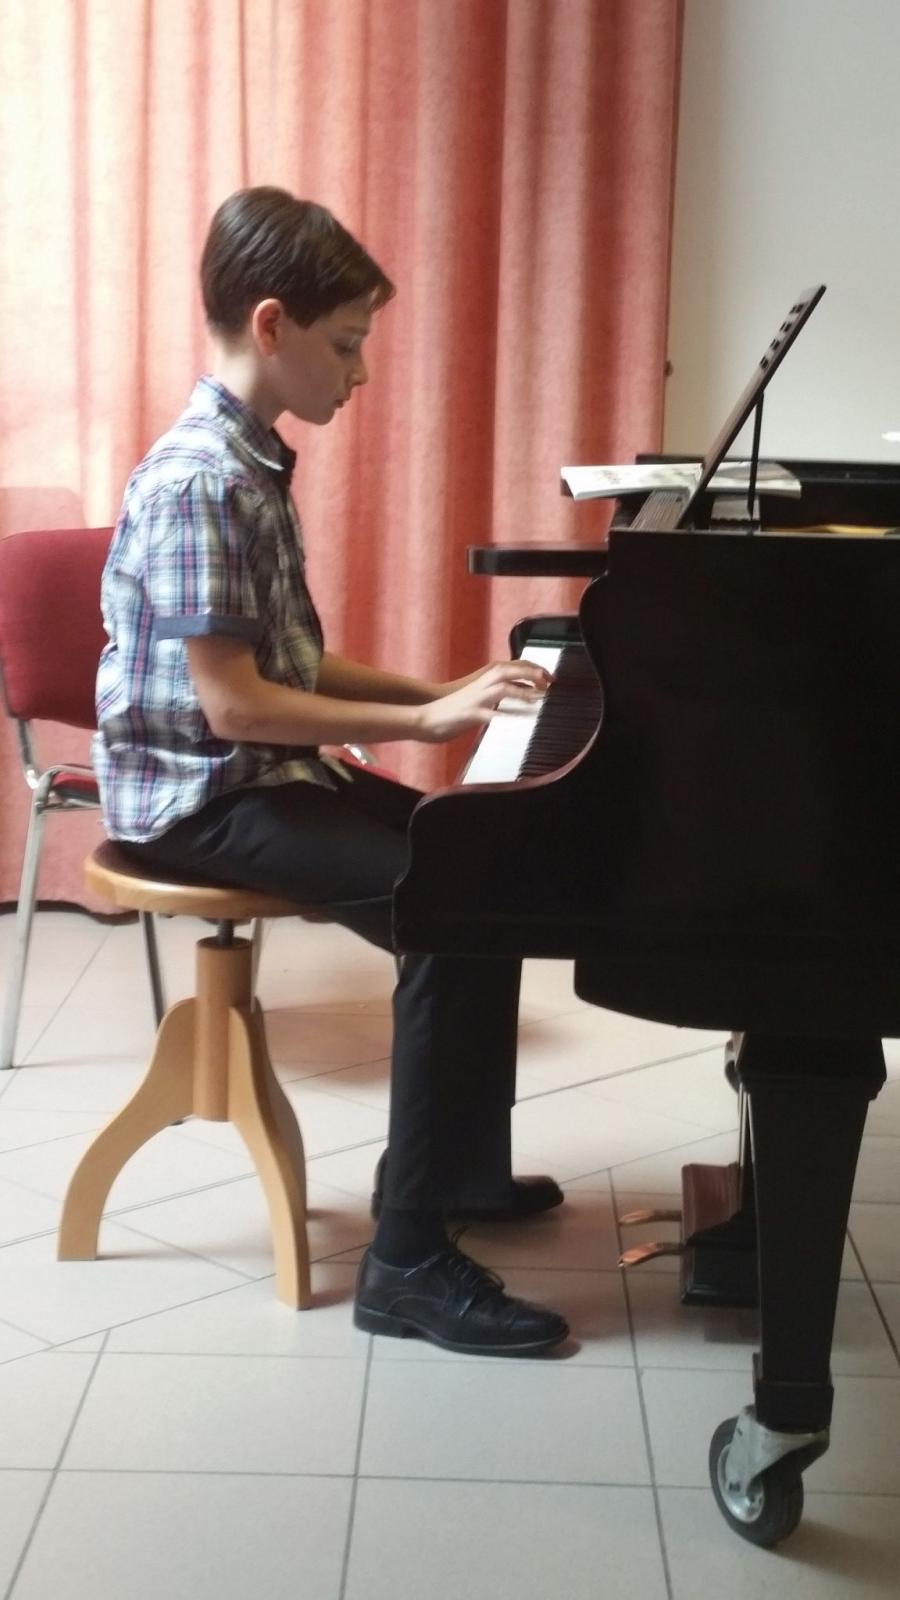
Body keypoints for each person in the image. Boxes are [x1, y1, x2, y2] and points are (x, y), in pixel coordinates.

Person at [94, 186, 569, 1356]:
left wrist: (436, 691)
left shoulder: (250, 460)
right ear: (272, 325)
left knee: (485, 862)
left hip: (260, 771)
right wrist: (427, 720)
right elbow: (232, 702)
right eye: (347, 344)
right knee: (449, 901)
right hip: (202, 798)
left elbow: (291, 664)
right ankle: (404, 1264)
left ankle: (456, 1171)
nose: (360, 373)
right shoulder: (202, 479)